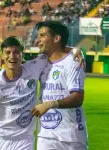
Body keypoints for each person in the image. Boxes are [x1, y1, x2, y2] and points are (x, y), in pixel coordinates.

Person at [31, 21, 88, 150]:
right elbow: (16, 64)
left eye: (42, 36)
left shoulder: (73, 62)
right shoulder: (40, 62)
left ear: (57, 38)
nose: (37, 40)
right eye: (38, 36)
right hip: (46, 136)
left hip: (72, 137)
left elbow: (78, 98)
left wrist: (50, 104)